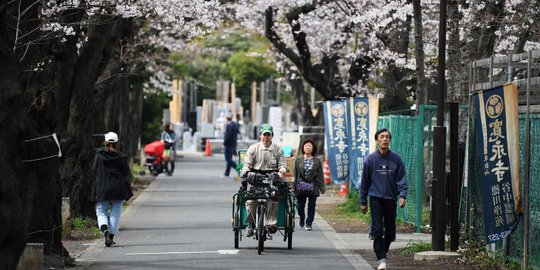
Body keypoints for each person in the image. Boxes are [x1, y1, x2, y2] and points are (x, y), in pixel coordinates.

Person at [359, 128, 407, 270]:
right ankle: (382, 259)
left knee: (391, 233)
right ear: (376, 140)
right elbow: (365, 182)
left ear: (389, 140)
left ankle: (381, 252)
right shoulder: (370, 159)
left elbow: (402, 179)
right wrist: (363, 201)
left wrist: (402, 195)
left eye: (387, 137)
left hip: (391, 198)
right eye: (382, 137)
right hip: (376, 199)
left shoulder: (396, 159)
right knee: (378, 230)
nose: (385, 139)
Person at [240, 124, 286, 237]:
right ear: (260, 135)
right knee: (251, 200)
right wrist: (246, 171)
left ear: (272, 136)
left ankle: (271, 223)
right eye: (264, 135)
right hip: (255, 177)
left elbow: (282, 165)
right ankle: (250, 224)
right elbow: (247, 164)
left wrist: (281, 172)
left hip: (272, 177)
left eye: (268, 135)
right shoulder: (253, 148)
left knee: (273, 199)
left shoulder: (278, 149)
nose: (266, 137)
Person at [91, 132, 134, 247]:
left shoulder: (99, 155)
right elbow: (125, 172)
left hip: (102, 187)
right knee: (116, 212)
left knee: (101, 211)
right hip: (118, 188)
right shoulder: (121, 157)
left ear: (105, 141)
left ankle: (105, 230)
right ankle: (111, 236)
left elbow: (94, 170)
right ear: (116, 142)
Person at [293, 138, 325, 231]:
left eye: (309, 146)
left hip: (313, 187)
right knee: (300, 206)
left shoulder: (317, 161)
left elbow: (320, 175)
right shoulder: (298, 159)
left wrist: (322, 188)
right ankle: (302, 217)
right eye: (306, 146)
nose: (307, 147)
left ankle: (309, 223)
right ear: (303, 148)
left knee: (312, 206)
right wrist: (293, 186)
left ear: (313, 148)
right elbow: (295, 174)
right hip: (300, 186)